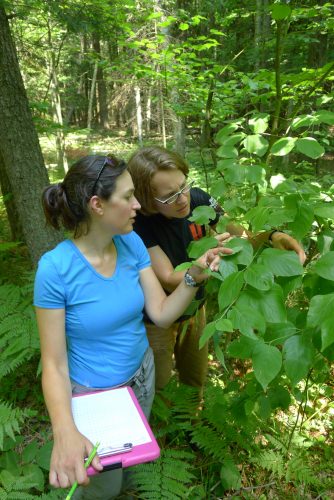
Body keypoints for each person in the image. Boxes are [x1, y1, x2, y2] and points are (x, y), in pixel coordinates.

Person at [33, 154, 232, 500]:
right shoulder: (56, 269)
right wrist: (64, 430)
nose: (139, 204)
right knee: (102, 487)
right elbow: (53, 363)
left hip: (142, 378)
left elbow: (161, 313)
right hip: (94, 396)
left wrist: (193, 275)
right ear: (97, 205)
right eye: (128, 197)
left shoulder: (130, 243)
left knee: (130, 471)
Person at [127, 146, 306, 393]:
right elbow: (169, 279)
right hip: (156, 321)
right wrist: (207, 263)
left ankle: (193, 426)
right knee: (159, 388)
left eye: (183, 186)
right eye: (169, 196)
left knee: (195, 379)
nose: (182, 199)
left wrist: (272, 236)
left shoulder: (199, 200)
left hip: (195, 309)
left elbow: (240, 235)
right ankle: (163, 432)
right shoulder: (140, 224)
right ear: (147, 199)